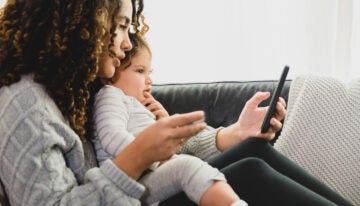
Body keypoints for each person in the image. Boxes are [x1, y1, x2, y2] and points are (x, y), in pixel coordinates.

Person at [0, 0, 207, 205]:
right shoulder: (27, 106)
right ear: (84, 23)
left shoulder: (76, 90)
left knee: (239, 157)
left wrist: (229, 136)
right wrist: (136, 156)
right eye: (122, 26)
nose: (127, 44)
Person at [93, 31, 248, 206]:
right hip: (129, 184)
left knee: (198, 165)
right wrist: (157, 159)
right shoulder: (110, 94)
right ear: (110, 75)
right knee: (186, 167)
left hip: (147, 177)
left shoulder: (136, 105)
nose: (149, 80)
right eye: (140, 71)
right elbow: (111, 136)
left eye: (149, 72)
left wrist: (164, 125)